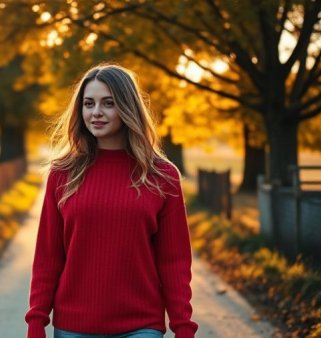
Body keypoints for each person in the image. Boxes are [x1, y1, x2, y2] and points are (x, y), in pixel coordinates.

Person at [25, 64, 198, 338]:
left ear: (128, 107)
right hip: (73, 327)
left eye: (108, 103)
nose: (96, 112)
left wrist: (183, 327)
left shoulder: (162, 176)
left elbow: (174, 262)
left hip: (141, 326)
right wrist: (36, 321)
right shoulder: (62, 174)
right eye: (88, 103)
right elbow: (48, 257)